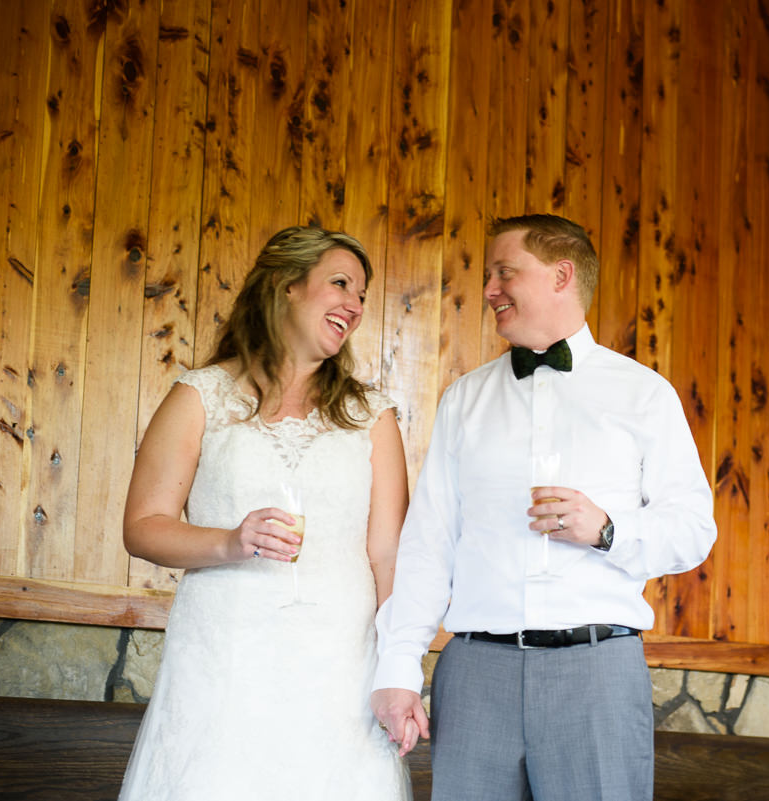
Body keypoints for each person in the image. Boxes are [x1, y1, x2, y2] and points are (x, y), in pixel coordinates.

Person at [371, 214, 717, 800]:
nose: (488, 290)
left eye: (505, 272)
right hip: (476, 673)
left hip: (597, 671)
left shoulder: (644, 394)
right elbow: (428, 543)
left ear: (561, 275)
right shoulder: (464, 400)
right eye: (488, 275)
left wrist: (607, 529)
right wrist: (398, 668)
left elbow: (693, 531)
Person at [119, 226, 414, 800]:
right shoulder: (201, 395)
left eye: (361, 294)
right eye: (340, 283)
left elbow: (388, 552)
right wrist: (230, 541)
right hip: (226, 656)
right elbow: (143, 527)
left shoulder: (371, 415)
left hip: (339, 664)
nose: (354, 305)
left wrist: (398, 669)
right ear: (285, 286)